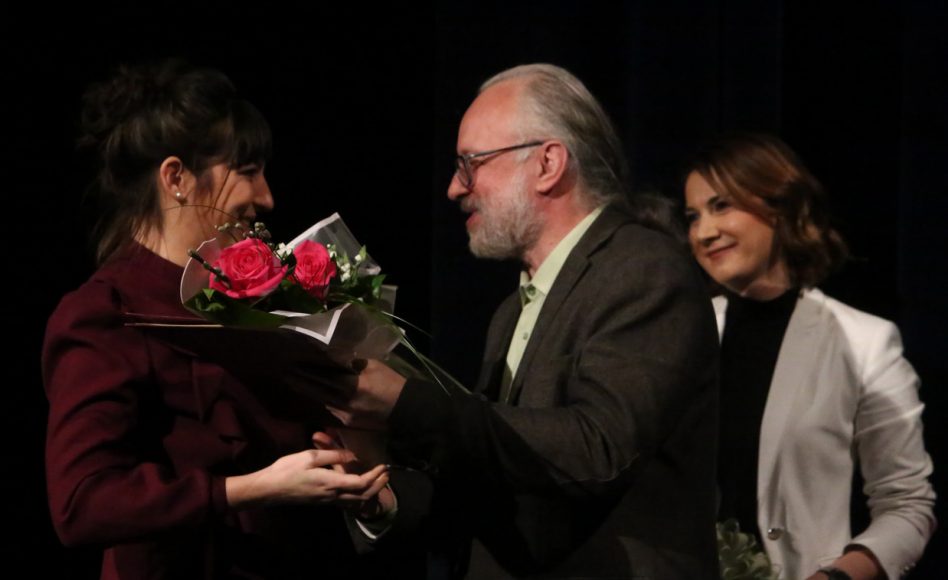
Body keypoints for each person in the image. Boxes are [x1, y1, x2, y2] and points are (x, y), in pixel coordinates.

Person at [326, 64, 722, 579]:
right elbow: (504, 477)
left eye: (471, 163)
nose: (454, 188)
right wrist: (379, 494)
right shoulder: (513, 310)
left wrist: (406, 402)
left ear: (548, 164)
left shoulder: (644, 269)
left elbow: (598, 451)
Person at [42, 59, 390, 579]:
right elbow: (82, 504)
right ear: (176, 178)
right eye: (247, 171)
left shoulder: (252, 302)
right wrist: (252, 488)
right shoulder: (106, 312)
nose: (267, 198)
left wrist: (352, 473)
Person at [682, 133, 936, 580]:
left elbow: (907, 506)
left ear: (780, 207)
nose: (704, 232)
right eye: (693, 216)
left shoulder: (864, 341)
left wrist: (834, 577)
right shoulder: (679, 332)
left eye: (722, 206)